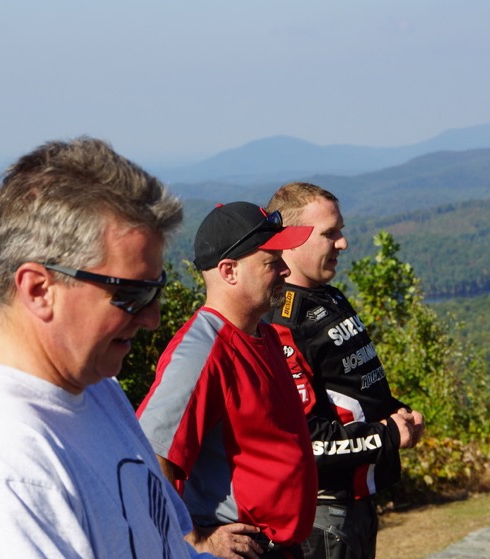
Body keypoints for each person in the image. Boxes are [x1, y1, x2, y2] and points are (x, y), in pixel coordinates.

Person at [0, 137, 217, 558]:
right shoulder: (2, 468)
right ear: (39, 289)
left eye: (157, 289)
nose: (153, 317)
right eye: (133, 293)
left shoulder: (94, 388)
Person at [137, 202, 319, 559]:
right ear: (229, 271)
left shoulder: (264, 334)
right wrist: (191, 540)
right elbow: (148, 454)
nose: (286, 270)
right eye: (272, 262)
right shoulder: (202, 351)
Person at [264, 182, 425, 559]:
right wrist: (385, 436)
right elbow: (304, 439)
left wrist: (395, 413)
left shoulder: (329, 296)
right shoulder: (282, 322)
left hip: (356, 502)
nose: (343, 243)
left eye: (341, 231)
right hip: (323, 512)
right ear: (290, 239)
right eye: (330, 234)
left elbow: (353, 388)